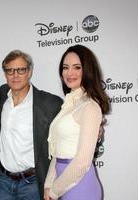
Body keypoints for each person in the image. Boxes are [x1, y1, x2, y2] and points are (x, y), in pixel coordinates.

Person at [44, 44, 111, 200]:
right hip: (62, 184)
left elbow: (82, 162)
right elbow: (58, 151)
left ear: (87, 70)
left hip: (80, 187)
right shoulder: (69, 103)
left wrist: (53, 191)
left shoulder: (90, 106)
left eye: (77, 67)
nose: (69, 73)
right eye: (65, 67)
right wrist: (48, 185)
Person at [0, 50, 63, 200]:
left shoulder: (49, 103)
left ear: (29, 72)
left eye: (21, 70)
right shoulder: (2, 94)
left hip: (32, 183)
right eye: (10, 70)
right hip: (3, 182)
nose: (15, 75)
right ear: (5, 74)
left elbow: (67, 133)